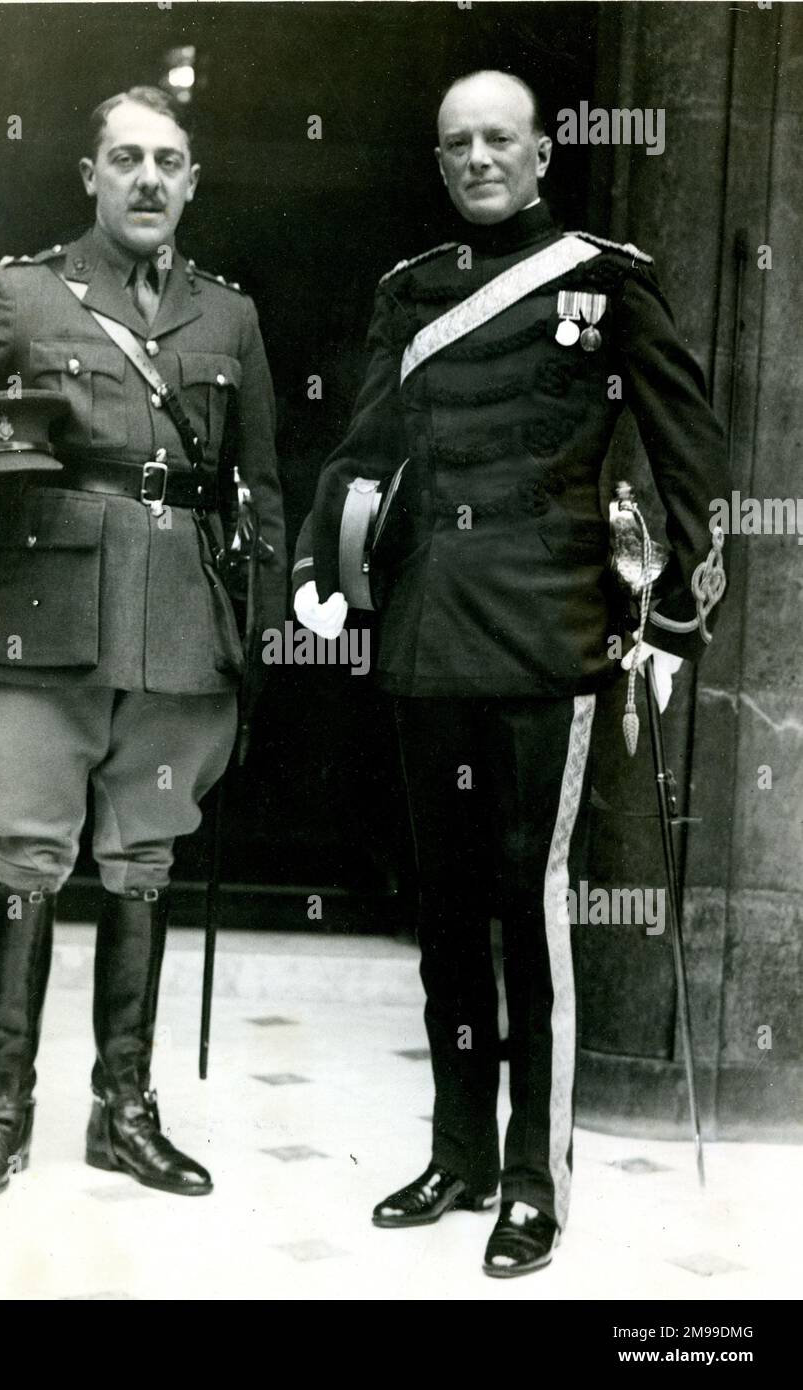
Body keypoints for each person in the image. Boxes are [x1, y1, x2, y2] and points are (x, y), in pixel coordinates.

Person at [293, 69, 729, 1277]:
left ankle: (532, 1182)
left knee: (527, 913)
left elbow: (689, 442)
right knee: (442, 911)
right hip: (431, 631)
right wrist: (318, 558)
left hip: (549, 636)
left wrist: (680, 608)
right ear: (441, 165)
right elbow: (366, 443)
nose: (480, 158)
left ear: (542, 153)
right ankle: (458, 1154)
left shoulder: (605, 278)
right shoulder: (408, 292)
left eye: (501, 139)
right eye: (457, 145)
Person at [0, 85, 285, 1203]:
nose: (149, 179)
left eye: (170, 161)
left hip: (182, 628)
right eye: (126, 158)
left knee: (143, 863)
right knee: (26, 863)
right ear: (88, 175)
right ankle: (3, 1107)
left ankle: (123, 1111)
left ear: (193, 181)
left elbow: (264, 490)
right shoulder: (26, 295)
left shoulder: (229, 318)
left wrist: (259, 619)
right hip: (37, 621)